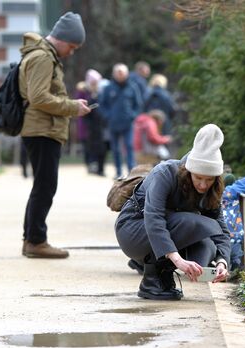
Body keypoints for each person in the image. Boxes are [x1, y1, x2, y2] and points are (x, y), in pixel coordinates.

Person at [115, 124, 231, 300]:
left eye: (209, 180)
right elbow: (153, 218)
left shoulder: (211, 189)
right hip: (132, 229)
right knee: (195, 223)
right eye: (198, 177)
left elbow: (220, 228)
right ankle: (153, 279)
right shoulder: (165, 173)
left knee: (207, 246)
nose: (202, 185)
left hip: (159, 234)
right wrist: (178, 260)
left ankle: (154, 268)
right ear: (189, 170)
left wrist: (222, 261)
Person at [19, 12, 91, 258]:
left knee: (42, 185)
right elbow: (38, 97)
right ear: (61, 38)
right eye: (72, 46)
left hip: (43, 129)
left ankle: (32, 238)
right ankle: (36, 241)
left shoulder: (43, 55)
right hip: (42, 130)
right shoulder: (42, 58)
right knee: (45, 186)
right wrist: (72, 107)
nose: (71, 52)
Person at [99, 63, 143, 177]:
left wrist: (132, 115)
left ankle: (131, 171)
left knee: (129, 146)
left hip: (128, 124)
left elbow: (138, 104)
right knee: (115, 149)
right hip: (113, 124)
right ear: (114, 74)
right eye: (118, 73)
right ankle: (118, 172)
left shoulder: (133, 87)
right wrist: (108, 116)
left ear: (127, 74)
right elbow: (102, 105)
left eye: (122, 73)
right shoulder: (108, 88)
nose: (120, 75)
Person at [78, 69, 107, 175]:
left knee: (102, 148)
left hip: (102, 126)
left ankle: (100, 168)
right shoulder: (86, 93)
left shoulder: (102, 95)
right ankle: (92, 166)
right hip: (92, 128)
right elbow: (85, 113)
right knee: (91, 148)